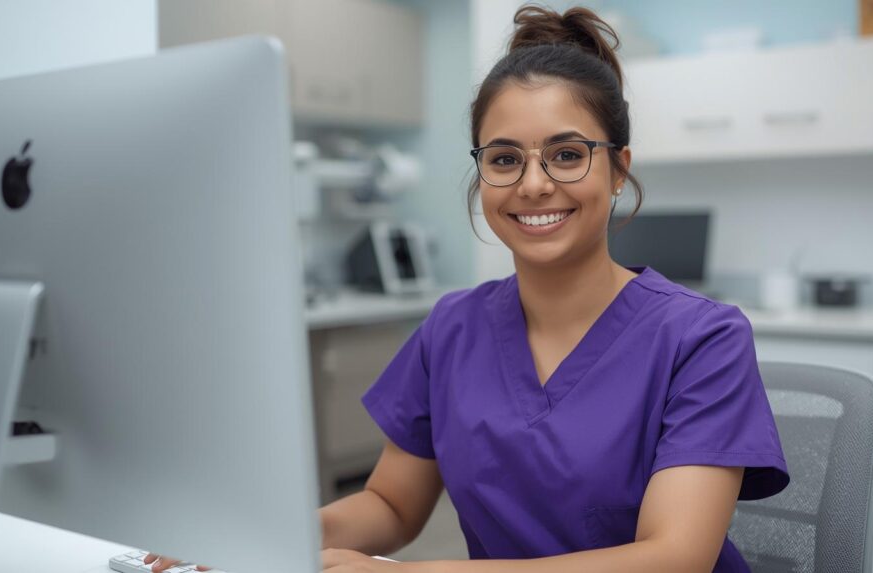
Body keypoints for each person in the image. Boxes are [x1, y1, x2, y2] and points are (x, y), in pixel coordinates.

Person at [148, 5, 788, 573]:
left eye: (567, 154)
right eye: (504, 159)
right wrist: (254, 538)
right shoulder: (452, 327)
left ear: (618, 169)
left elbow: (674, 558)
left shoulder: (701, 338)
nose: (533, 184)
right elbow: (391, 504)